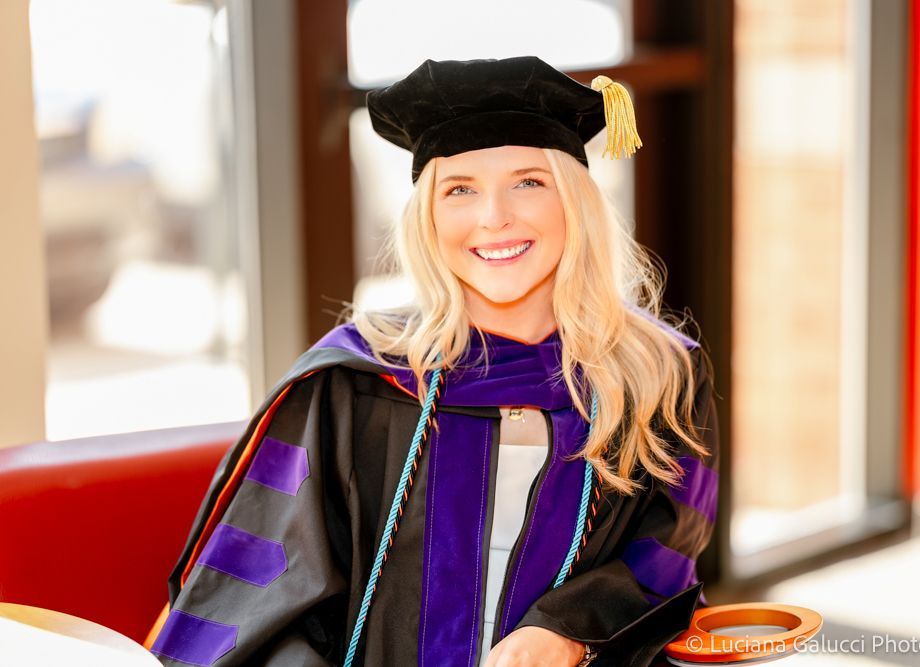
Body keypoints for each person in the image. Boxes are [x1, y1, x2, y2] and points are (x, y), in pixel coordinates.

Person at [147, 56, 720, 667]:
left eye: (529, 181)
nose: (493, 216)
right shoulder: (359, 381)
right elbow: (268, 586)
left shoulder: (658, 374)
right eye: (460, 189)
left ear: (574, 204)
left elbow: (666, 552)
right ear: (429, 218)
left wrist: (568, 631)